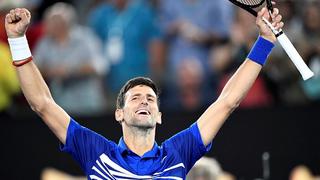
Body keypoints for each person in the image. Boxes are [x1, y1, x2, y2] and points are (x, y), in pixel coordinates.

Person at [4, 6, 283, 180]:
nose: (144, 101)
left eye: (150, 99)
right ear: (119, 113)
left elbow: (228, 102)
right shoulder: (96, 151)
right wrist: (17, 40)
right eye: (135, 98)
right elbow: (41, 103)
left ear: (159, 116)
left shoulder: (178, 153)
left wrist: (264, 42)